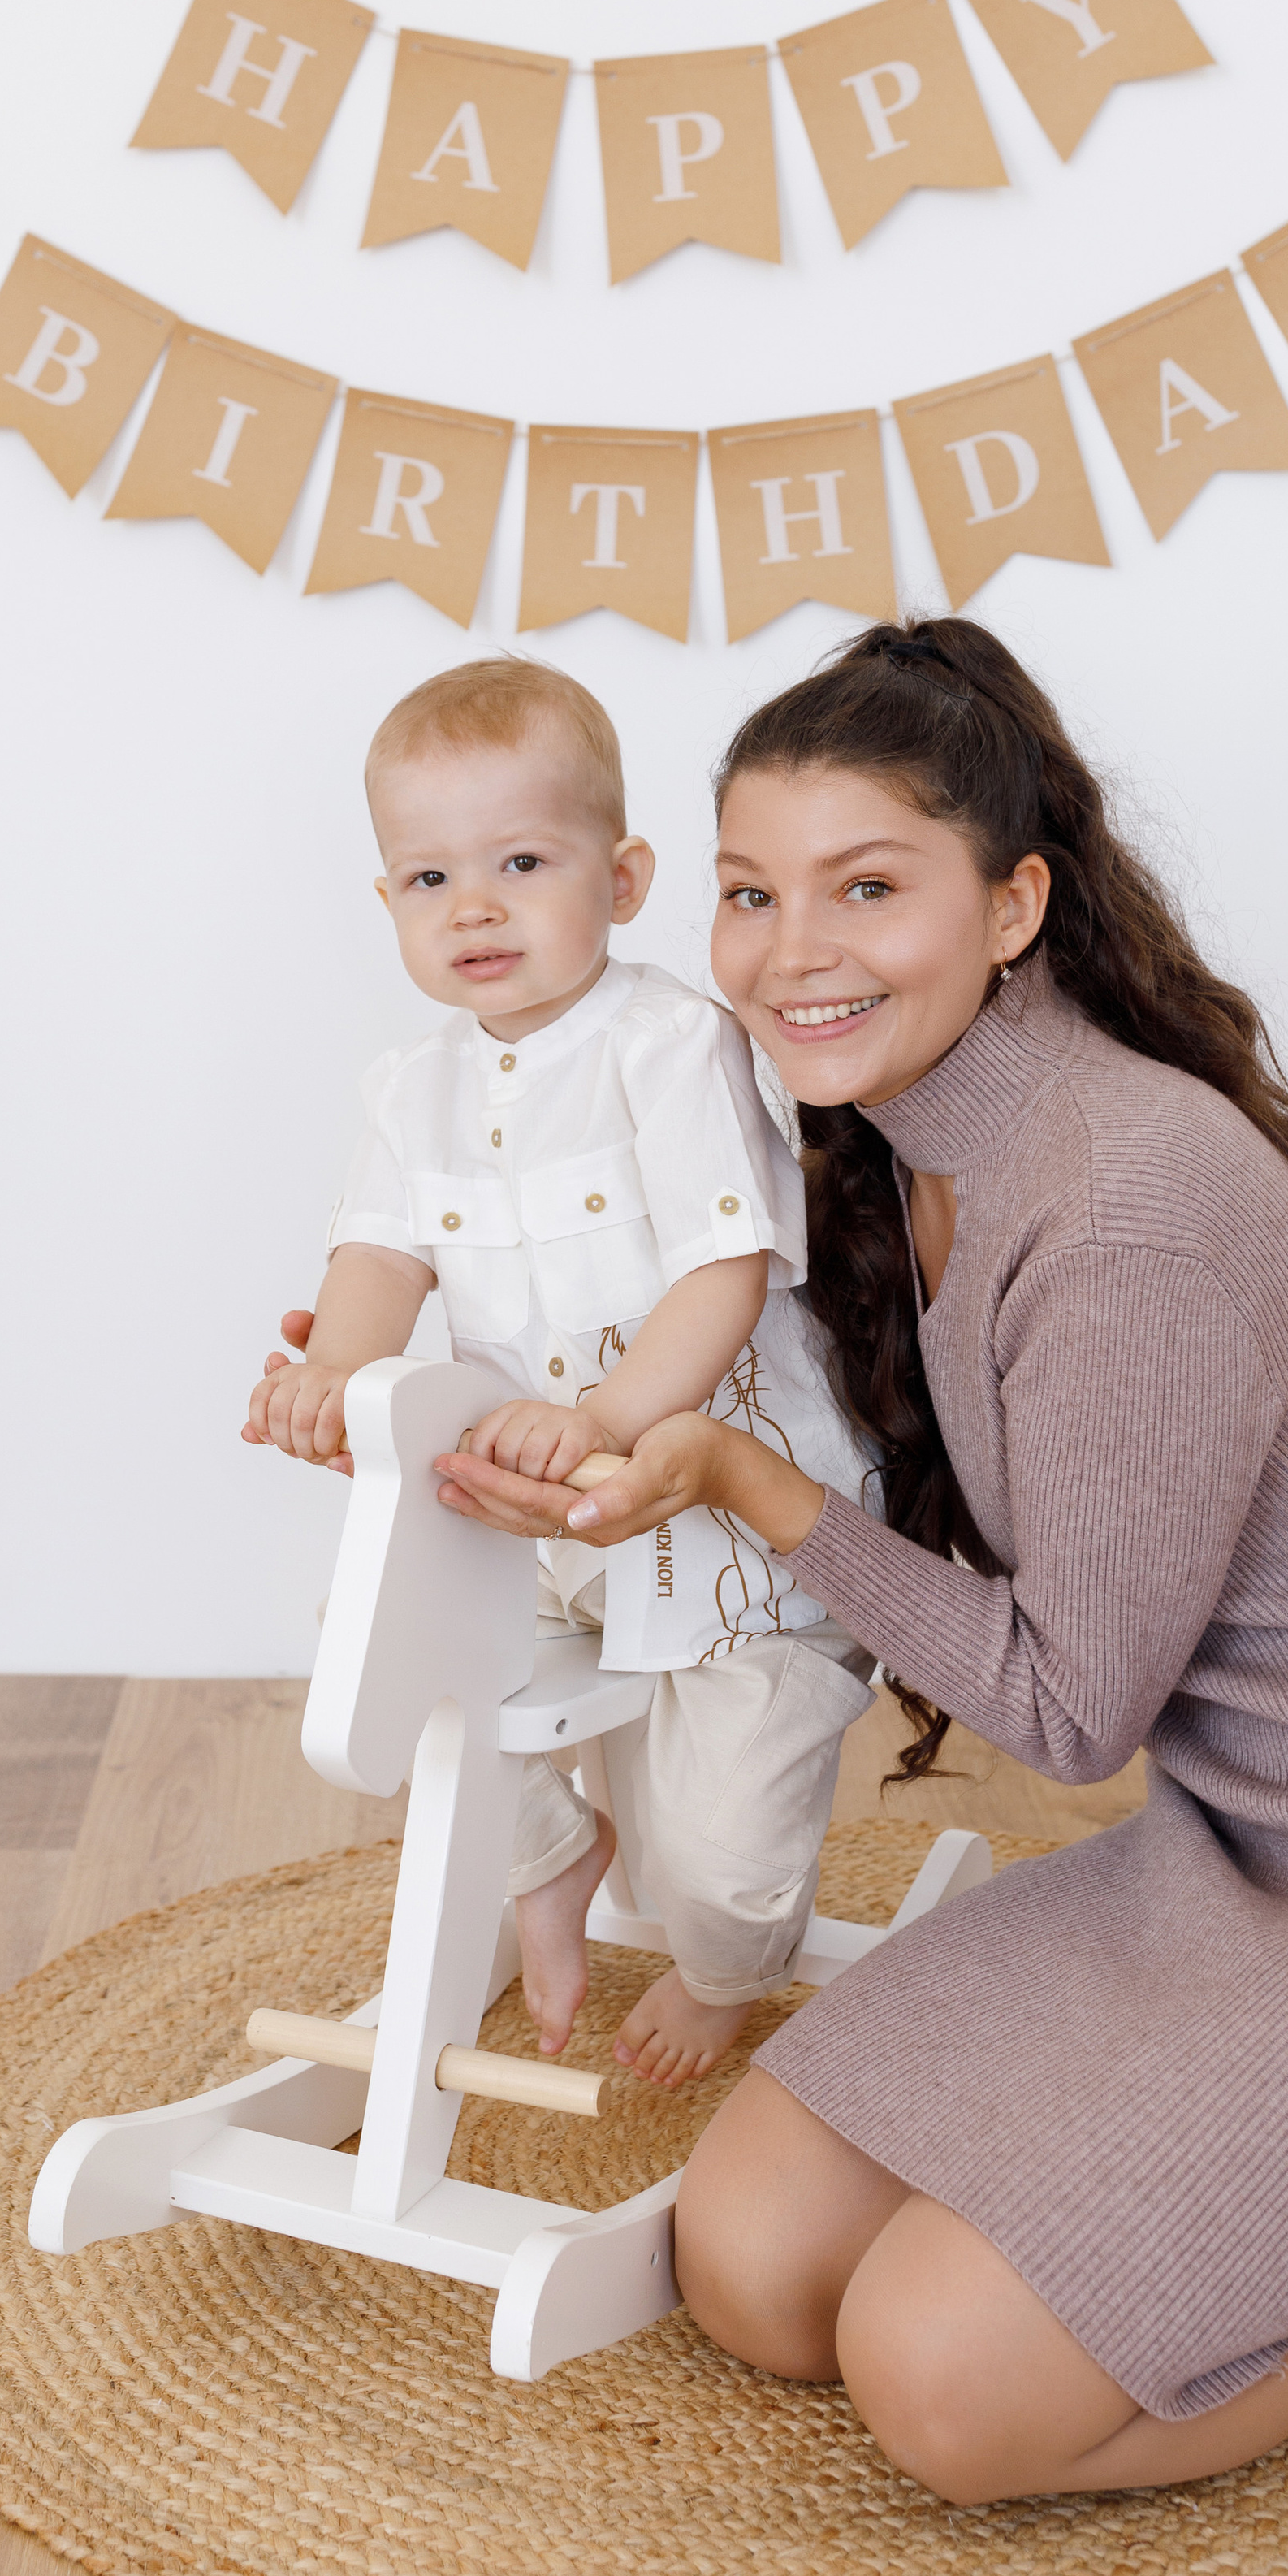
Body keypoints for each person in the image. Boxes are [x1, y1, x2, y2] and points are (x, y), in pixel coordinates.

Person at [429, 617, 1288, 2501]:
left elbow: (1067, 1708)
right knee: (756, 2267)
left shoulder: (1113, 1209)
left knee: (944, 2395)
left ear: (1013, 904)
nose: (793, 954)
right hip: (1250, 1844)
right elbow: (584, 1247)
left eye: (867, 888)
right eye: (745, 893)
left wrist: (738, 1483)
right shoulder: (880, 1138)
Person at [244, 656, 874, 2089]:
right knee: (381, 1632)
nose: (474, 906)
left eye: (522, 861)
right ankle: (546, 1854)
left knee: (717, 1865)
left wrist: (602, 1415)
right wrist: (328, 1374)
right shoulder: (413, 1090)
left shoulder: (670, 1045)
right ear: (390, 901)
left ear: (626, 875)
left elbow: (722, 1267)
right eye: (428, 878)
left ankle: (723, 1975)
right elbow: (380, 1260)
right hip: (524, 1510)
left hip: (712, 1525)